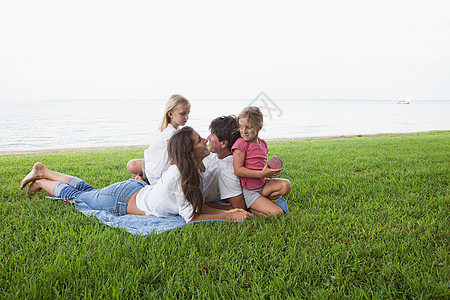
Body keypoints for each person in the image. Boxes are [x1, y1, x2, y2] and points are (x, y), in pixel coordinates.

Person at [19, 127, 253, 223]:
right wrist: (228, 216)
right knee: (78, 197)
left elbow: (197, 206)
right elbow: (191, 217)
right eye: (200, 140)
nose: (205, 142)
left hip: (134, 192)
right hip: (122, 201)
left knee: (87, 192)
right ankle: (41, 180)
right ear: (189, 151)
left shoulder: (195, 168)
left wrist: (230, 210)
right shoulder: (180, 175)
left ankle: (44, 171)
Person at [231, 106, 291, 216]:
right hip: (250, 191)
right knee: (278, 213)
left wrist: (270, 171)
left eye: (248, 127)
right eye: (240, 127)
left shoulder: (262, 143)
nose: (243, 131)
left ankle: (261, 203)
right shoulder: (241, 144)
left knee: (286, 185)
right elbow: (238, 170)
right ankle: (252, 209)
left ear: (259, 127)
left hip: (263, 185)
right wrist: (261, 174)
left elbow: (260, 164)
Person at [126, 94, 190, 185]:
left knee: (133, 165)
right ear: (170, 114)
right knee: (131, 165)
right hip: (155, 170)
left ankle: (141, 179)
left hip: (153, 166)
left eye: (188, 113)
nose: (187, 117)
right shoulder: (170, 133)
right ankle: (142, 181)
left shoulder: (171, 130)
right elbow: (178, 157)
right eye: (183, 113)